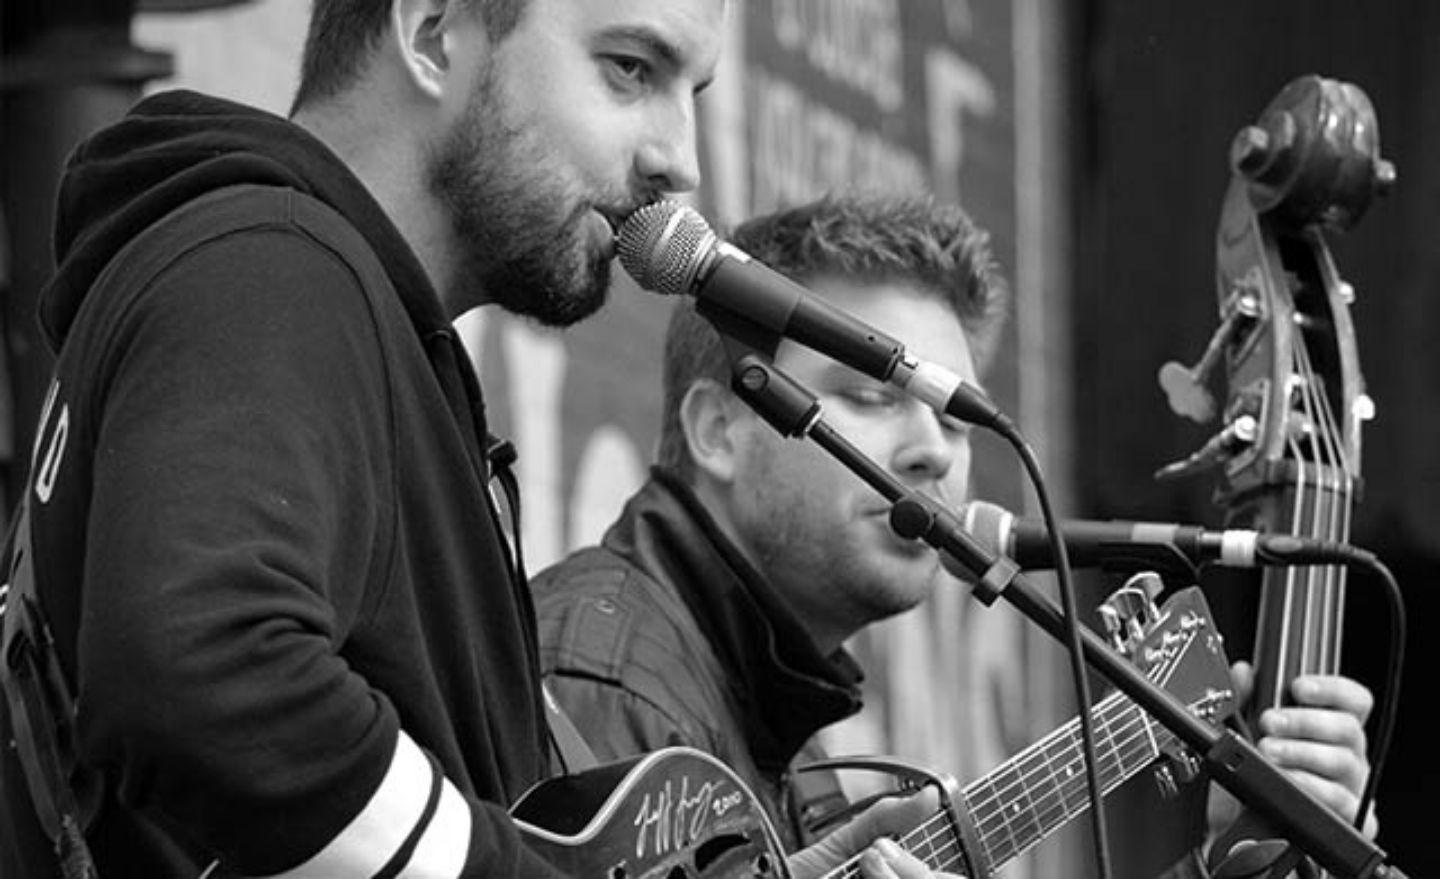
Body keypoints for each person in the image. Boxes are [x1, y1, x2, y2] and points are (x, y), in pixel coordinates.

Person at [0, 3, 955, 878]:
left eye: (693, 94)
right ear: (431, 32)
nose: (680, 161)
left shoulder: (327, 304)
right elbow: (203, 669)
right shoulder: (270, 267)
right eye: (629, 69)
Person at [530, 192, 1381, 874]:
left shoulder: (771, 713)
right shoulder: (617, 682)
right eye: (871, 396)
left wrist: (1223, 860)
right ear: (719, 430)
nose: (933, 451)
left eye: (955, 419)